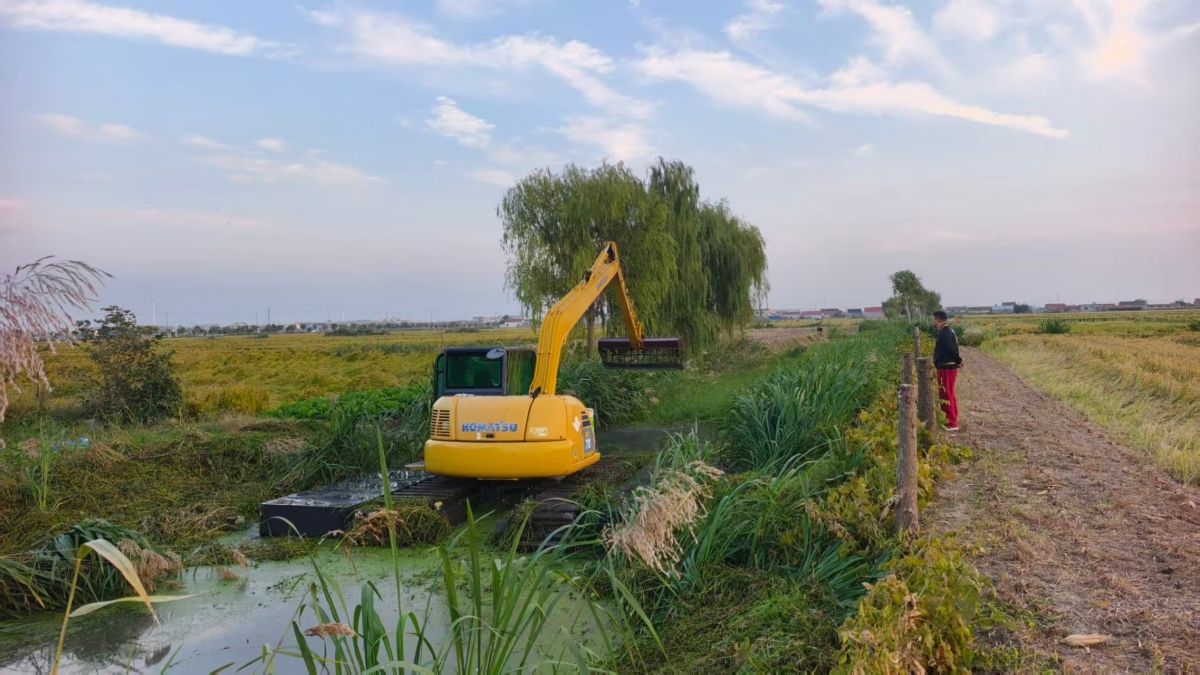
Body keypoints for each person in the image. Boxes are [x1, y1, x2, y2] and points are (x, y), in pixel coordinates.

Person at [932, 311, 963, 431]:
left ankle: (951, 423)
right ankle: (952, 419)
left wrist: (958, 361)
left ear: (938, 320)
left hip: (946, 367)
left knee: (946, 394)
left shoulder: (945, 332)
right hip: (946, 367)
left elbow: (951, 349)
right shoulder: (946, 331)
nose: (932, 321)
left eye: (933, 319)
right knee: (949, 393)